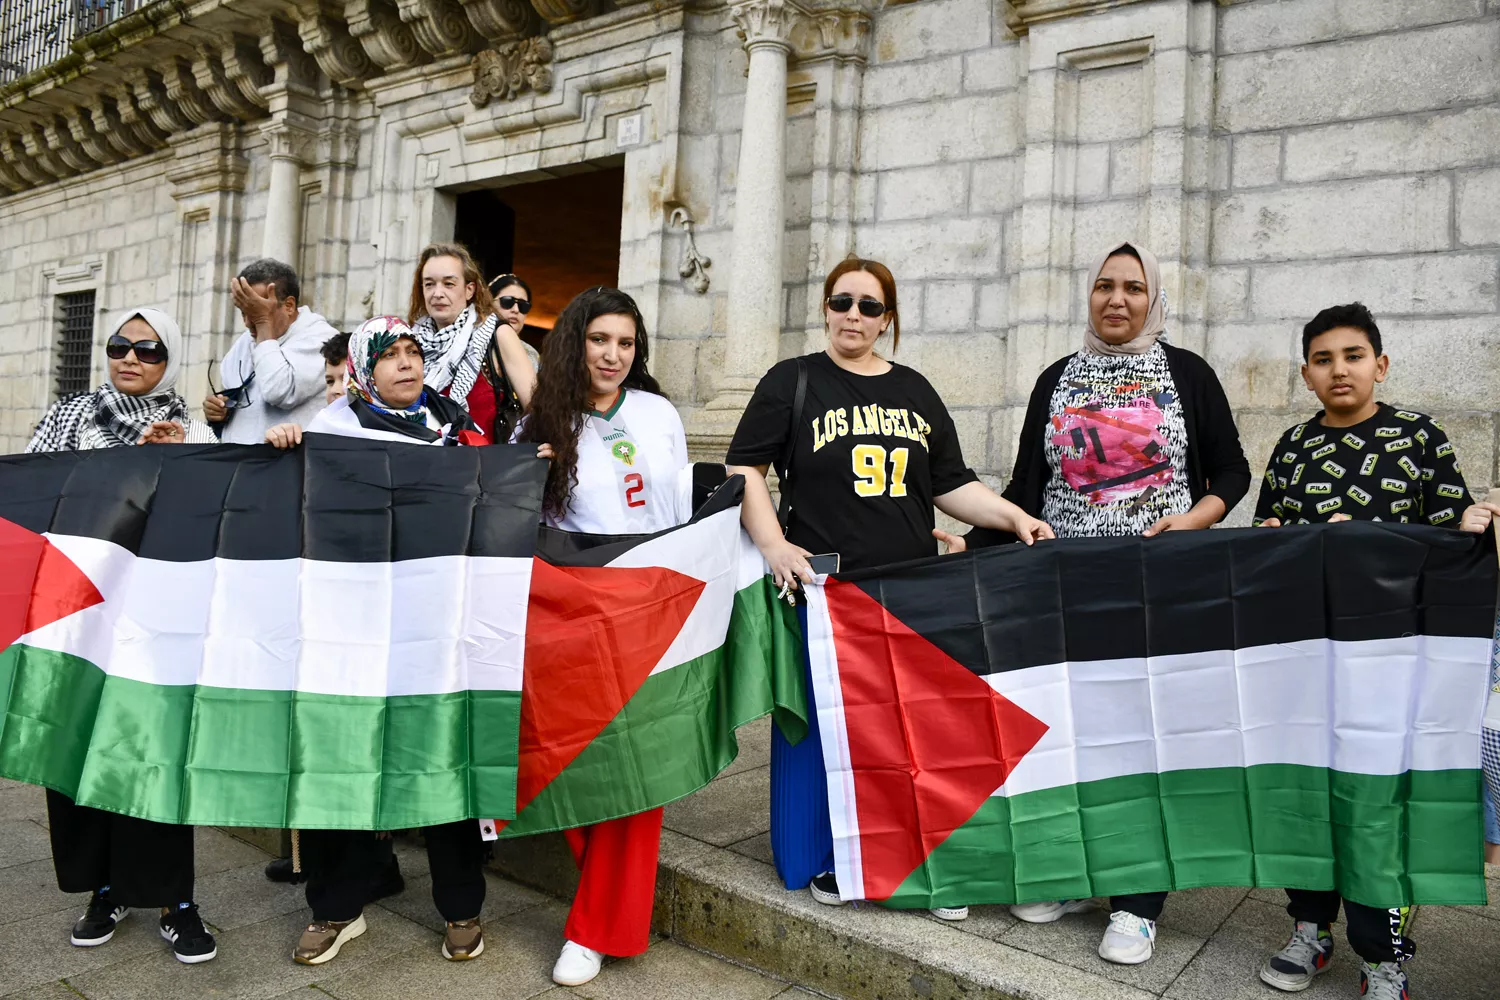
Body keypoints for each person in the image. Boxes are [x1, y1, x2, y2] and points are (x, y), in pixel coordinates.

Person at [723, 257, 1053, 926]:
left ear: (888, 318)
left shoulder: (915, 390)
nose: (854, 315)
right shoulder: (793, 381)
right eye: (842, 301)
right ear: (824, 307)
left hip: (909, 590)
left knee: (907, 730)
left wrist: (1011, 515)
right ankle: (835, 854)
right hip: (827, 590)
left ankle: (917, 856)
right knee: (832, 729)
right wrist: (774, 545)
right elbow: (744, 469)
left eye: (870, 306)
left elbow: (948, 483)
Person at [969, 241, 1249, 966]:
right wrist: (956, 543)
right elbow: (1026, 487)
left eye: (1131, 287)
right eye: (1103, 286)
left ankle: (1137, 903)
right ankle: (1069, 874)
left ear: (1152, 299)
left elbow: (1231, 471)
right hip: (1065, 591)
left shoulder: (1187, 373)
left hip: (1158, 593)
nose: (1116, 299)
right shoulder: (1056, 378)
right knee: (1070, 735)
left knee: (1143, 740)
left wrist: (1189, 522)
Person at [1253, 303, 1475, 1000]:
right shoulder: (1292, 446)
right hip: (1306, 660)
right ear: (1305, 374)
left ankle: (1384, 957)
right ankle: (1310, 926)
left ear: (1379, 365)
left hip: (1390, 663)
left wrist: (1464, 526)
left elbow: (1453, 541)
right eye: (1323, 359)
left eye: (1352, 356)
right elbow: (1268, 537)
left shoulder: (1419, 436)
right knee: (1308, 795)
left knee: (1376, 805)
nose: (1338, 369)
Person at [266, 316, 489, 964]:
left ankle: (461, 906)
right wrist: (283, 448)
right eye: (388, 354)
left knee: (445, 757)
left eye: (413, 350)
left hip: (437, 627)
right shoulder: (332, 432)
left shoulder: (458, 432)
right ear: (365, 370)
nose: (405, 363)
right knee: (345, 759)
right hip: (353, 632)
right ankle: (336, 907)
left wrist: (527, 469)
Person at [25, 307, 219, 964]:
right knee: (77, 749)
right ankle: (102, 888)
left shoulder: (192, 429)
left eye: (149, 349)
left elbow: (213, 518)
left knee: (154, 749)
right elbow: (37, 505)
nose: (131, 358)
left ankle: (174, 899)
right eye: (119, 345)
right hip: (75, 614)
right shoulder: (64, 421)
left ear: (171, 358)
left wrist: (177, 462)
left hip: (153, 620)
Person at [516, 287, 689, 986]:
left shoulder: (658, 413)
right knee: (573, 757)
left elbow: (679, 510)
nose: (614, 355)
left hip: (647, 598)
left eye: (626, 343)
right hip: (568, 606)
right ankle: (606, 901)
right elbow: (510, 513)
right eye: (600, 341)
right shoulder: (542, 420)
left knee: (637, 770)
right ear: (574, 345)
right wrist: (529, 469)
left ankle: (594, 928)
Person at [408, 246, 537, 443]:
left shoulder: (498, 334)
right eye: (429, 284)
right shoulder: (410, 339)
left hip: (483, 467)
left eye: (449, 284)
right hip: (422, 462)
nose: (437, 293)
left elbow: (537, 407)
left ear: (469, 290)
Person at [203, 258, 339, 443]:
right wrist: (220, 413)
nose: (247, 322)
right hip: (239, 464)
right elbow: (241, 406)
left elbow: (278, 391)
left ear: (289, 306)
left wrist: (263, 324)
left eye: (257, 310)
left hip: (289, 465)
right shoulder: (244, 342)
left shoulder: (321, 339)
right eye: (244, 312)